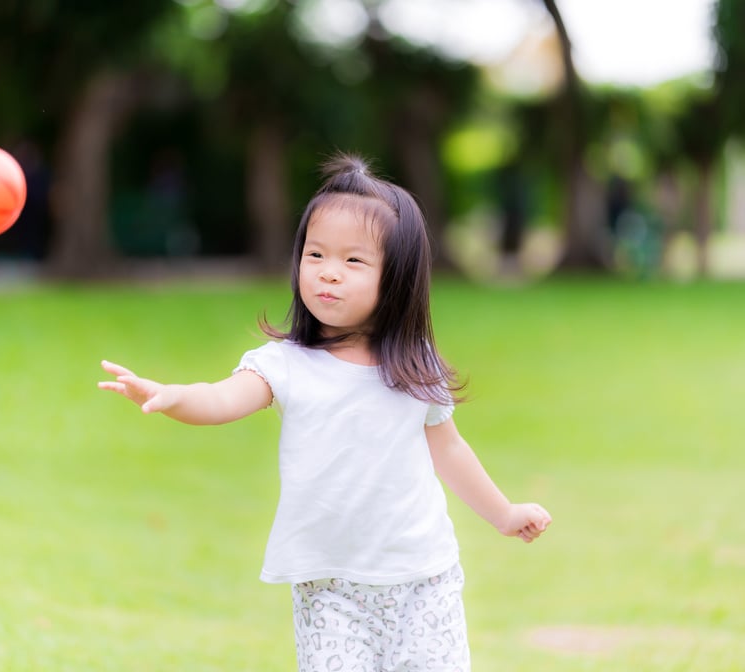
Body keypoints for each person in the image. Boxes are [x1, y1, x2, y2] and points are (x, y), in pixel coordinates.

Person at [98, 153, 551, 672]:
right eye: (315, 255)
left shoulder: (413, 365)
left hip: (423, 579)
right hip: (330, 587)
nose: (328, 274)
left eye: (353, 262)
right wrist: (175, 396)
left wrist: (504, 514)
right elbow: (224, 398)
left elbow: (448, 447)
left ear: (397, 278)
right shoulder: (286, 365)